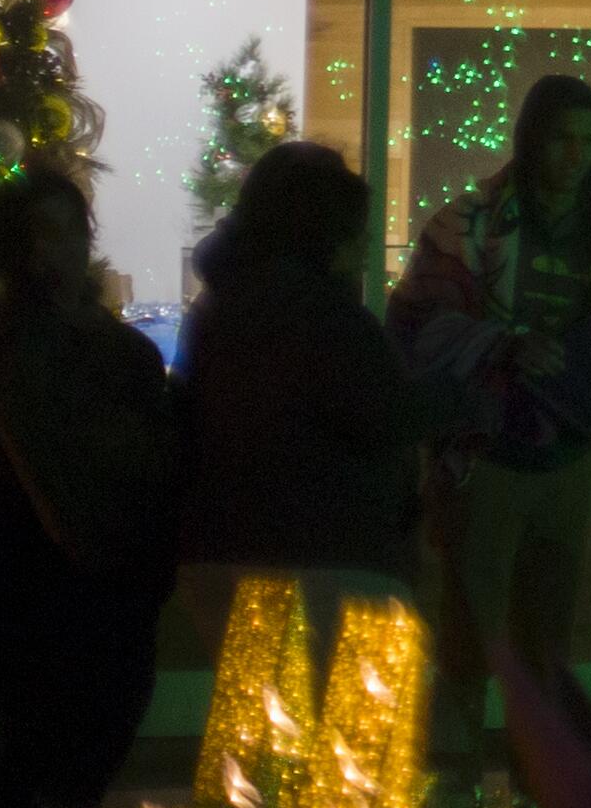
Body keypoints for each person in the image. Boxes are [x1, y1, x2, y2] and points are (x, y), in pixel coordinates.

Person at [391, 74, 591, 761]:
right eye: (561, 139)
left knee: (546, 652)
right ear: (530, 140)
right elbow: (412, 326)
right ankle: (454, 807)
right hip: (486, 459)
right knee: (469, 644)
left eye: (588, 142)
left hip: (568, 462)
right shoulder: (469, 223)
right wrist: (503, 344)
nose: (574, 157)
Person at [0, 166, 179, 808]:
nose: (69, 247)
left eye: (75, 228)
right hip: (31, 569)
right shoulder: (24, 342)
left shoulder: (75, 332)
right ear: (24, 248)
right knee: (45, 736)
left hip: (63, 568)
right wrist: (107, 560)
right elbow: (50, 465)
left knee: (71, 731)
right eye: (51, 233)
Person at [176, 142, 443, 594]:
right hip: (337, 565)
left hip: (233, 561)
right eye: (356, 229)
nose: (368, 242)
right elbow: (383, 415)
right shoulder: (325, 320)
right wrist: (456, 395)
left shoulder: (219, 311)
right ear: (324, 232)